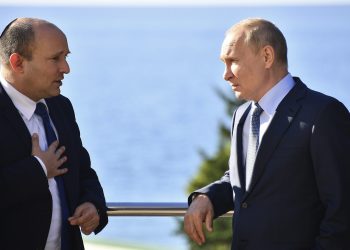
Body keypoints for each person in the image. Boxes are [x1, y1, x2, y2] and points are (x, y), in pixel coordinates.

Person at [184, 18, 350, 250]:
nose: (226, 74)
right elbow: (243, 179)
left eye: (233, 61)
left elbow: (342, 211)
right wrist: (207, 196)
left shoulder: (323, 114)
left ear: (267, 57)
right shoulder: (241, 116)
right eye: (224, 63)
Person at [0, 18, 108, 250]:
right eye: (55, 59)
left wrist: (92, 204)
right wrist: (38, 168)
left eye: (66, 57)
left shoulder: (61, 107)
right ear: (18, 63)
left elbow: (84, 172)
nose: (66, 68)